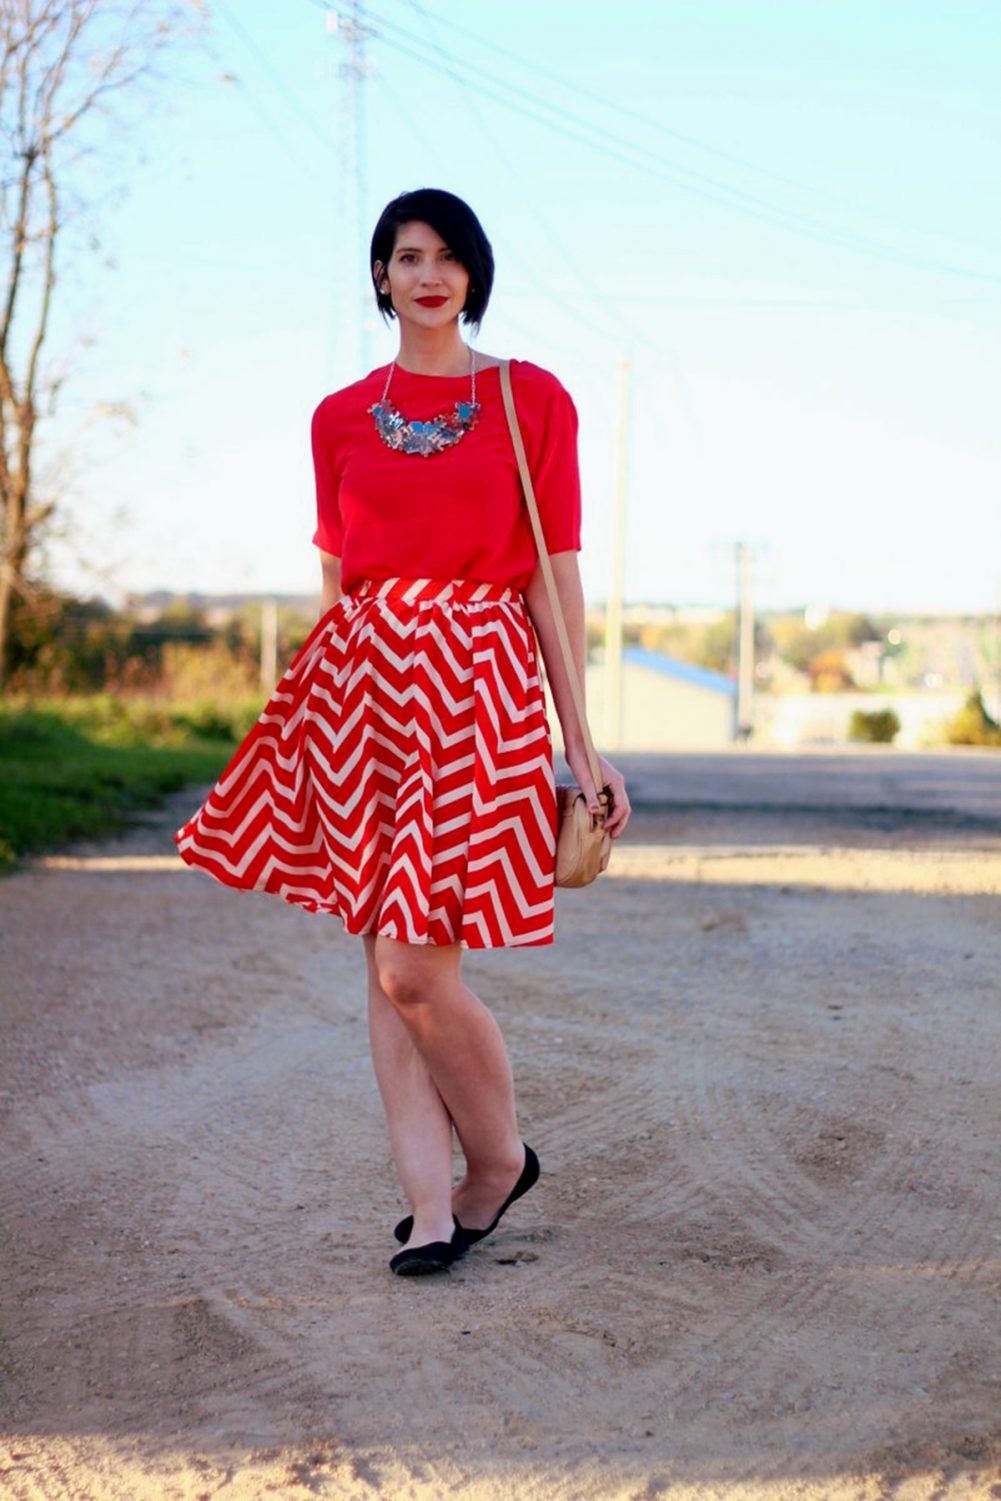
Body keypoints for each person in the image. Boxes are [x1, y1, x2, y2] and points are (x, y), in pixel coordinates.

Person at [174, 187, 631, 1277]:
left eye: (446, 257)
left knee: (416, 967)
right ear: (378, 277)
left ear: (472, 274)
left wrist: (583, 742)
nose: (426, 274)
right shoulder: (337, 415)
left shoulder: (531, 399)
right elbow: (336, 582)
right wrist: (315, 724)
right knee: (382, 955)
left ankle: (493, 1162)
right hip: (363, 698)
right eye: (404, 256)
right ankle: (429, 1204)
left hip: (475, 687)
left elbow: (553, 576)